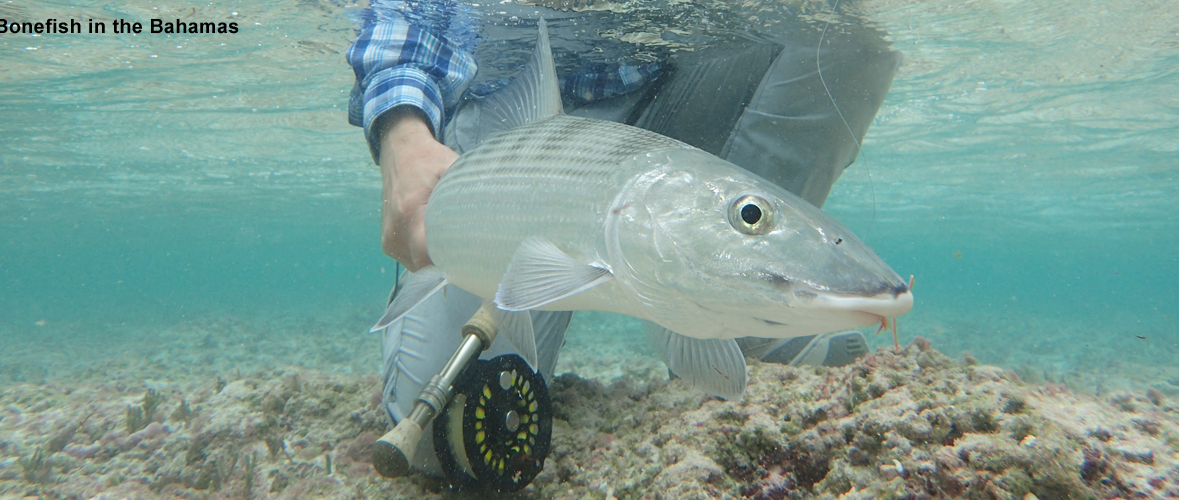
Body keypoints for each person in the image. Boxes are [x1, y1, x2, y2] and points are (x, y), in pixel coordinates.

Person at [347, 0, 900, 485]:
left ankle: (742, 312)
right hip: (507, 126)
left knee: (846, 30)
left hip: (686, 79)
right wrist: (403, 133)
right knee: (450, 444)